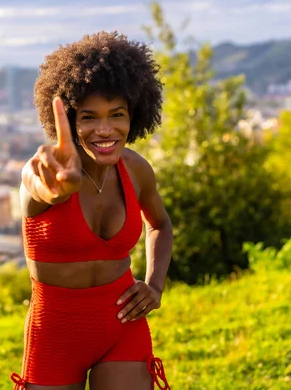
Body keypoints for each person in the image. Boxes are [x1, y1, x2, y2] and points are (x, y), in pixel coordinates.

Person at [10, 31, 173, 390]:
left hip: (121, 326)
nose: (105, 130)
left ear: (134, 115)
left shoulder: (137, 169)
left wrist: (154, 285)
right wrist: (58, 186)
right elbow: (40, 185)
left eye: (117, 114)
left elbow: (159, 223)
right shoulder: (43, 169)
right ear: (68, 120)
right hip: (54, 335)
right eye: (88, 117)